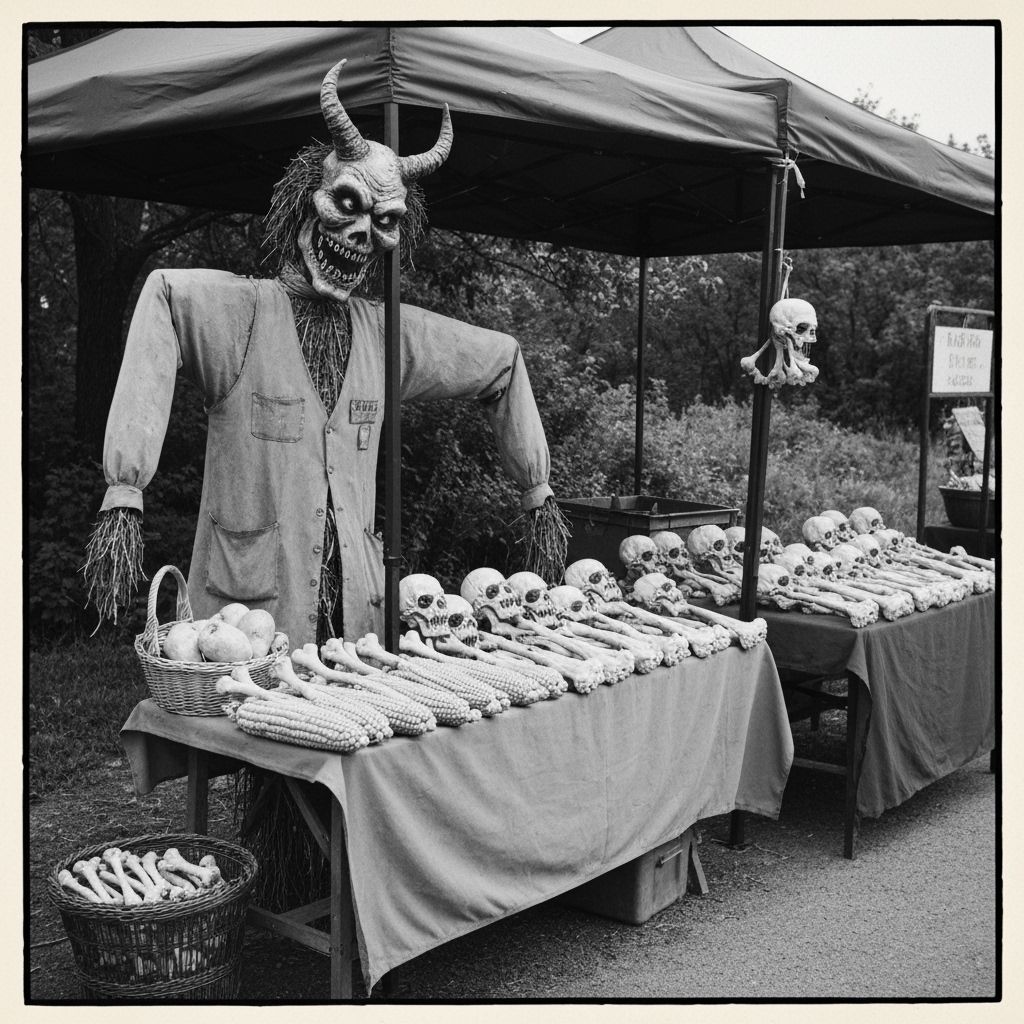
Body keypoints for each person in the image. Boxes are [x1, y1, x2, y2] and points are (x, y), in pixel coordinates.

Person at [86, 59, 564, 647]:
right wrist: (124, 490)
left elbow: (502, 359)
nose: (363, 233)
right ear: (303, 201)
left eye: (384, 221)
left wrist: (536, 490)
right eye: (348, 205)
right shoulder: (241, 314)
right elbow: (166, 292)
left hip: (357, 623)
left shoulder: (388, 335)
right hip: (247, 623)